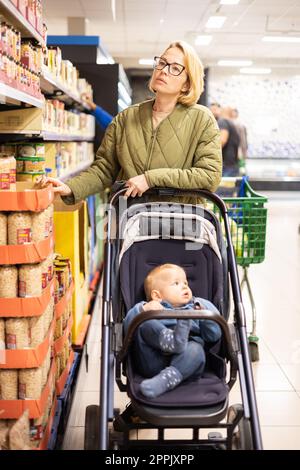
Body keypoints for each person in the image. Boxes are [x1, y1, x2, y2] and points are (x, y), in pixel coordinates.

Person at [36, 40, 222, 204]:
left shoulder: (202, 119)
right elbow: (104, 170)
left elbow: (209, 176)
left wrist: (151, 179)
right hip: (132, 221)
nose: (164, 71)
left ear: (187, 84)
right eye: (162, 63)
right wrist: (70, 187)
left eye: (175, 68)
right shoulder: (126, 118)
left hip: (182, 223)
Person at [123, 264, 222, 398]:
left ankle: (164, 381)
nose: (184, 286)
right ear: (157, 295)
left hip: (186, 363)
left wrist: (204, 312)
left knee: (195, 349)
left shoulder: (196, 306)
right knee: (145, 324)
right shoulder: (150, 307)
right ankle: (172, 341)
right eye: (176, 283)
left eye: (185, 282)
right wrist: (144, 309)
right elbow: (127, 327)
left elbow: (214, 335)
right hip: (153, 360)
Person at [210, 103, 240, 177]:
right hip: (232, 164)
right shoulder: (231, 123)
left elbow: (222, 140)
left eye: (215, 109)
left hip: (225, 165)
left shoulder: (222, 122)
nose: (212, 112)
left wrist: (210, 153)